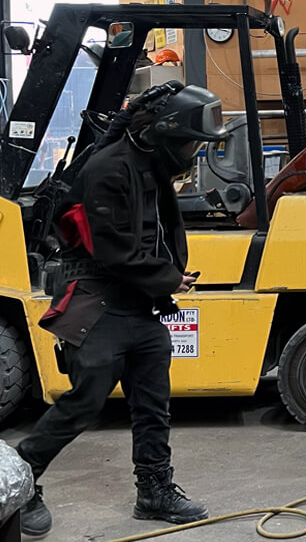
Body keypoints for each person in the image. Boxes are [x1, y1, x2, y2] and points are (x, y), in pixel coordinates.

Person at [16, 82, 228, 537]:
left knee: (153, 403)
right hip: (102, 300)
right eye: (189, 143)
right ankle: (21, 482)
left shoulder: (150, 164)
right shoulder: (109, 168)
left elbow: (155, 232)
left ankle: (153, 490)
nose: (192, 152)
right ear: (162, 135)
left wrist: (165, 278)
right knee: (84, 401)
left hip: (142, 304)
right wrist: (170, 277)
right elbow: (112, 250)